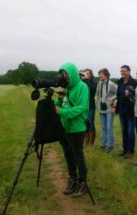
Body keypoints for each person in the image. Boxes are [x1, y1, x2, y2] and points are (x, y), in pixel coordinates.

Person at [54, 62, 90, 197]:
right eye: (63, 73)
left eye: (66, 73)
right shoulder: (67, 88)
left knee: (78, 156)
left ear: (73, 73)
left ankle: (83, 182)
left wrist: (61, 112)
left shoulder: (82, 87)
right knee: (68, 155)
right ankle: (73, 179)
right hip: (66, 127)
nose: (65, 76)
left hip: (77, 128)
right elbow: (63, 104)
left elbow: (81, 108)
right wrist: (58, 100)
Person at [116, 65, 137, 159]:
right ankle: (124, 150)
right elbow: (119, 95)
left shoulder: (134, 82)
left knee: (130, 132)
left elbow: (136, 97)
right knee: (124, 131)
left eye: (124, 71)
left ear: (129, 71)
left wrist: (130, 94)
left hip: (130, 111)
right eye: (121, 71)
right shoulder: (120, 81)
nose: (122, 72)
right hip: (121, 110)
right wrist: (115, 106)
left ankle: (130, 151)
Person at [96, 68, 117, 152]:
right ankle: (103, 145)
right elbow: (98, 95)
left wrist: (112, 99)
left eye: (101, 74)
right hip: (101, 109)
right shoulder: (99, 83)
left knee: (109, 127)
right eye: (99, 74)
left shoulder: (111, 84)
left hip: (109, 109)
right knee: (104, 128)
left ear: (106, 75)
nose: (100, 75)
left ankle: (110, 146)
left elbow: (118, 92)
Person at [80, 69, 97, 146]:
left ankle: (91, 142)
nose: (86, 75)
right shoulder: (82, 82)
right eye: (85, 73)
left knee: (90, 123)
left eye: (87, 73)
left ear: (91, 75)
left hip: (91, 106)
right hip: (83, 106)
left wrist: (86, 79)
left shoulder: (93, 83)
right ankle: (86, 140)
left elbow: (91, 88)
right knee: (84, 124)